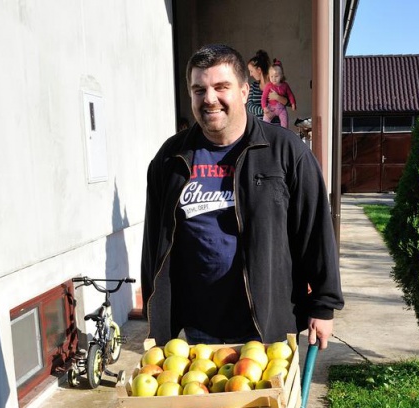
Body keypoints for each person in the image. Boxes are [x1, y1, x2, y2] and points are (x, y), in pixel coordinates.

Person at [141, 44, 342, 349]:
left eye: (221, 87)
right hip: (199, 331)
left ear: (245, 91)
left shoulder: (286, 152)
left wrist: (324, 305)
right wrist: (155, 316)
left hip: (268, 327)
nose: (210, 99)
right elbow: (154, 241)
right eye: (199, 89)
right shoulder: (170, 159)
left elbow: (316, 231)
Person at [261, 59, 297, 128]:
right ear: (269, 76)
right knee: (265, 122)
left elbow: (290, 95)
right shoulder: (268, 85)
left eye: (276, 76)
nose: (274, 79)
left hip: (281, 109)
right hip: (271, 107)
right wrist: (264, 107)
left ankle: (284, 134)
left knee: (284, 123)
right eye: (271, 76)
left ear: (281, 76)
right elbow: (264, 97)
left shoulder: (285, 85)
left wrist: (293, 103)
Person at [246, 50, 270, 119]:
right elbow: (249, 106)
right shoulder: (253, 86)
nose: (250, 74)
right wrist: (264, 110)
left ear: (259, 70)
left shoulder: (274, 85)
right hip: (259, 127)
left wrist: (277, 97)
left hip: (275, 127)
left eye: (251, 71)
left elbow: (287, 102)